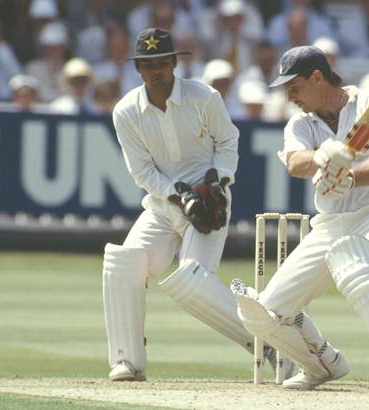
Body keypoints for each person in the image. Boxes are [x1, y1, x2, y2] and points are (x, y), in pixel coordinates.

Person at [232, 45, 369, 394]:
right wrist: (322, 156)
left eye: (294, 87)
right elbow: (295, 163)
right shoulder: (301, 123)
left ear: (317, 77)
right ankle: (322, 364)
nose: (289, 96)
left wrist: (351, 177)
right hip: (330, 225)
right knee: (260, 315)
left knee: (355, 261)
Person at [103, 27, 284, 382]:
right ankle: (127, 360)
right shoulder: (126, 111)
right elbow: (142, 171)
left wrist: (218, 181)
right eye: (147, 64)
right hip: (162, 206)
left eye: (161, 62)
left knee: (195, 283)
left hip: (207, 204)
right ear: (138, 69)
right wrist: (177, 195)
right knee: (124, 264)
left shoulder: (204, 97)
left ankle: (272, 346)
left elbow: (229, 141)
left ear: (174, 62)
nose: (155, 70)